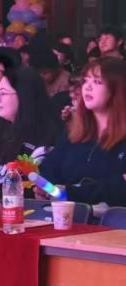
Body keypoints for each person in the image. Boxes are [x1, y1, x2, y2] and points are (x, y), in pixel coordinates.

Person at [39, 57, 126, 207]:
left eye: (97, 82)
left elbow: (119, 188)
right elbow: (49, 168)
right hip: (63, 214)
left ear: (117, 89)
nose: (87, 87)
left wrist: (68, 193)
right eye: (85, 81)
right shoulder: (74, 132)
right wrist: (46, 189)